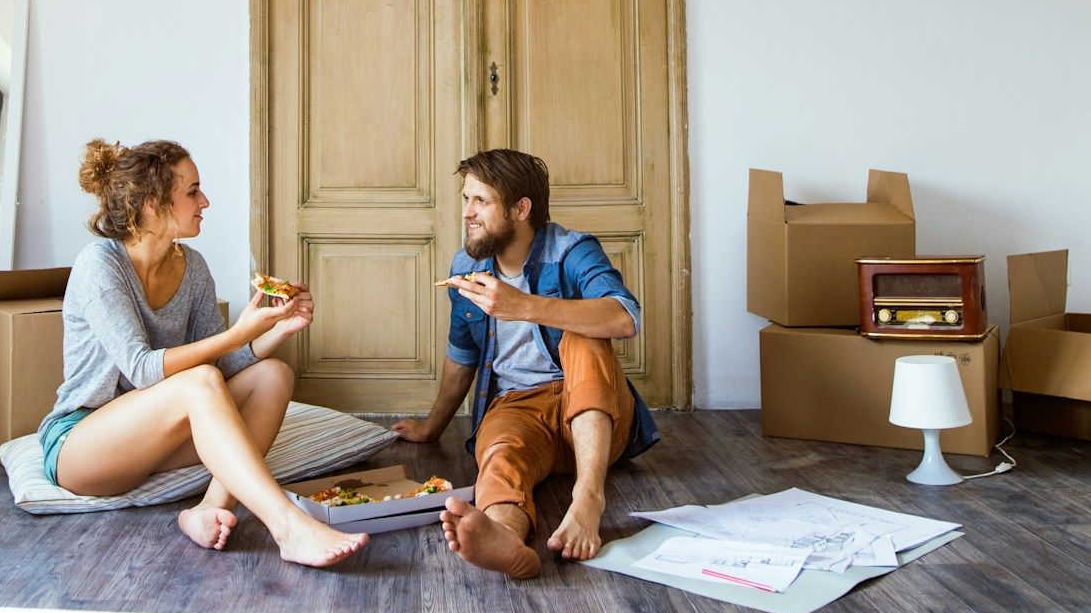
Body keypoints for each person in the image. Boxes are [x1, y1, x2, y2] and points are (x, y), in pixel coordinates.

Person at [39, 137, 367, 568]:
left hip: (153, 439)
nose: (205, 201)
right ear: (152, 204)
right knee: (199, 383)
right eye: (192, 191)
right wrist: (237, 335)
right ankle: (288, 527)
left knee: (275, 374)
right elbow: (142, 370)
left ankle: (211, 509)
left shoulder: (191, 266)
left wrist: (272, 330)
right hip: (82, 446)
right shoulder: (100, 264)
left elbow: (222, 364)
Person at [392, 149, 659, 580]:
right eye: (465, 199)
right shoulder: (466, 268)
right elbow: (462, 356)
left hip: (593, 410)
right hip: (517, 406)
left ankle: (588, 499)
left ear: (520, 209)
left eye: (480, 201)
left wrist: (525, 307)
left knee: (584, 337)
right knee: (497, 458)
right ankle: (506, 539)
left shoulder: (572, 250)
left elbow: (624, 317)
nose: (467, 213)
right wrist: (431, 428)